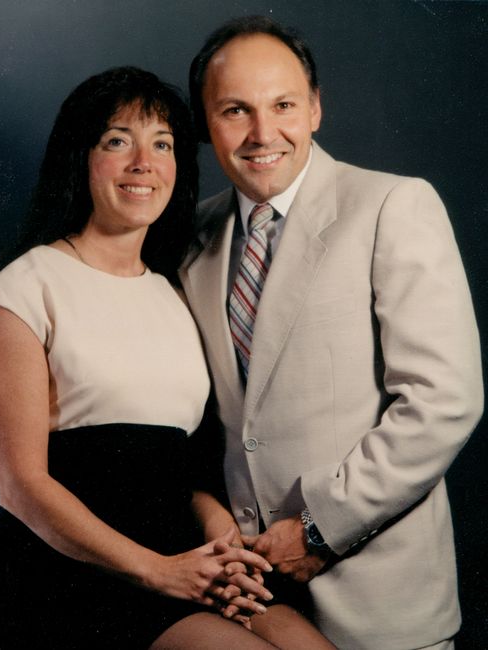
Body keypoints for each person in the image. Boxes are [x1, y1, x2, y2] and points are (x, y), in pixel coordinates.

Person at [0, 66, 335, 649]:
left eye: (161, 144)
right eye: (118, 141)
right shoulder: (22, 291)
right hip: (74, 576)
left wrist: (223, 541)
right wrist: (156, 570)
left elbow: (176, 467)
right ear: (80, 157)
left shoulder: (175, 292)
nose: (144, 162)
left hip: (185, 558)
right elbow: (19, 485)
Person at [180, 16, 484, 650]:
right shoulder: (189, 237)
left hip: (379, 607)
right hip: (246, 606)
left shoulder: (392, 206)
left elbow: (442, 402)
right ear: (205, 124)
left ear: (315, 108)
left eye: (284, 105)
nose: (264, 133)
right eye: (236, 110)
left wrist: (318, 529)